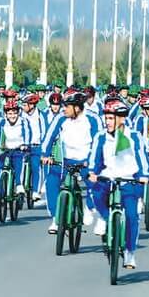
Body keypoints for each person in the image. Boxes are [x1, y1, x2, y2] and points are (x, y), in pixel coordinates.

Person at [88, 100, 149, 270]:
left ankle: (130, 252)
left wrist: (143, 175)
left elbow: (142, 158)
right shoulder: (100, 136)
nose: (107, 122)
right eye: (106, 118)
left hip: (128, 179)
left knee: (132, 216)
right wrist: (92, 172)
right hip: (107, 177)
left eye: (110, 118)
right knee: (96, 194)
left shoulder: (134, 136)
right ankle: (104, 218)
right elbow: (95, 157)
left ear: (121, 119)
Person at [40, 89, 101, 234]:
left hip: (86, 161)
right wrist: (45, 154)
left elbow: (100, 142)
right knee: (51, 182)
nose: (63, 109)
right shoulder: (61, 118)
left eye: (67, 106)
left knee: (97, 185)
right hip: (65, 161)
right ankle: (56, 218)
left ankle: (89, 208)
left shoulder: (93, 119)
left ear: (77, 107)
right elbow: (49, 136)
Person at [0, 99, 32, 205]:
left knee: (19, 164)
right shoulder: (1, 122)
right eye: (9, 113)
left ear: (18, 112)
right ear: (5, 114)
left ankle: (18, 185)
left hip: (18, 149)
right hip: (4, 150)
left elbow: (28, 133)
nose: (12, 116)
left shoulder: (23, 121)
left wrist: (25, 145)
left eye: (14, 113)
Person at [21, 93, 47, 203]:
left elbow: (45, 132)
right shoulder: (20, 115)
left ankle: (35, 191)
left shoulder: (41, 116)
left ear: (31, 105)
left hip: (36, 146)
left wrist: (44, 148)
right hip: (22, 146)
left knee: (36, 167)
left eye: (25, 104)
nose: (23, 106)